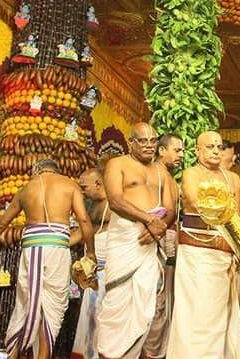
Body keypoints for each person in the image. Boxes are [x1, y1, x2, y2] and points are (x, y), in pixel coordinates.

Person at [0, 159, 94, 359]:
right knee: (52, 307)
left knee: (27, 304)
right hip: (57, 251)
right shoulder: (69, 185)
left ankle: (13, 355)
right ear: (57, 170)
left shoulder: (26, 189)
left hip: (31, 250)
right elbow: (83, 220)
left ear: (36, 170)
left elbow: (1, 224)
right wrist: (91, 253)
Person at [96, 122, 177, 359]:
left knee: (147, 304)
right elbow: (116, 201)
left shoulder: (161, 171)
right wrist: (148, 220)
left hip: (150, 240)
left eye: (153, 141)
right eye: (143, 141)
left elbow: (170, 208)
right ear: (131, 142)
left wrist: (158, 228)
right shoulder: (117, 164)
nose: (149, 145)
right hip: (125, 238)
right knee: (116, 305)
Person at [166, 131, 240, 358]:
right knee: (198, 314)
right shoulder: (191, 173)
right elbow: (195, 201)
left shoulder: (233, 179)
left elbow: (236, 215)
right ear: (197, 151)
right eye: (209, 147)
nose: (215, 151)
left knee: (220, 314)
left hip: (224, 252)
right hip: (197, 254)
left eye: (219, 147)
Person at [142, 133, 184, 359]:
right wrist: (155, 230)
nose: (181, 155)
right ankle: (151, 353)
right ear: (161, 150)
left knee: (163, 301)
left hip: (165, 241)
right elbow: (166, 212)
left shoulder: (166, 175)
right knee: (156, 301)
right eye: (177, 150)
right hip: (154, 241)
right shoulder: (156, 173)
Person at [71, 168, 111, 359]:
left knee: (104, 319)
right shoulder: (92, 206)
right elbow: (81, 233)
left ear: (98, 184)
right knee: (90, 317)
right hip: (92, 271)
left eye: (84, 187)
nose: (82, 191)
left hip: (109, 270)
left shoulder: (115, 203)